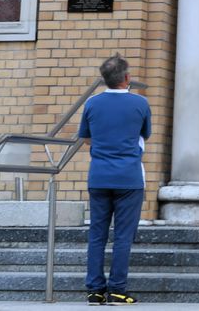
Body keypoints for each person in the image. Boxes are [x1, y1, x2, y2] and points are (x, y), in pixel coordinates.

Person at [78, 54, 151, 305]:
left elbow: (86, 138)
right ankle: (117, 290)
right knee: (122, 236)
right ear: (127, 78)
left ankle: (95, 291)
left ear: (104, 79)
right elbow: (144, 135)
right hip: (129, 178)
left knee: (97, 234)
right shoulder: (140, 103)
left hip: (98, 176)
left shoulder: (92, 103)